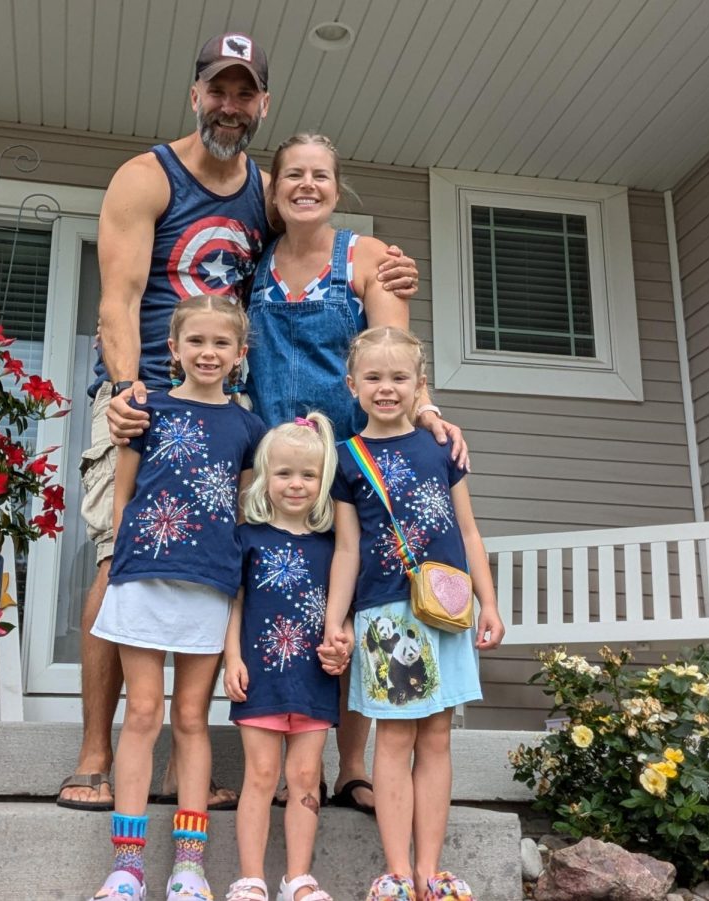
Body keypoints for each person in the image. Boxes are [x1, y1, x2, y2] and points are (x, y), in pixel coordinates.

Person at [60, 31, 420, 811]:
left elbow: (312, 231)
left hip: (231, 412)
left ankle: (177, 758)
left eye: (244, 92)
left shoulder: (263, 190)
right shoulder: (146, 176)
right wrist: (127, 389)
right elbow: (116, 299)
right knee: (121, 558)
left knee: (209, 567)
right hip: (147, 396)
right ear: (195, 94)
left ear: (262, 104)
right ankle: (94, 753)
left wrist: (385, 262)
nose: (230, 104)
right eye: (217, 89)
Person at [244, 134, 469, 814]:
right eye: (293, 176)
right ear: (275, 190)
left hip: (353, 464)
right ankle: (289, 758)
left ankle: (348, 763)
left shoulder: (366, 258)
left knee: (351, 607)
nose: (306, 185)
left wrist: (427, 411)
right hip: (279, 465)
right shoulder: (254, 265)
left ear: (337, 190)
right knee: (288, 610)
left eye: (320, 176)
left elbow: (390, 352)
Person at [89, 296, 266, 901]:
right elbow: (125, 489)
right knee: (142, 713)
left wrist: (239, 579)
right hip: (144, 573)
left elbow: (242, 506)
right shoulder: (145, 409)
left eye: (222, 343)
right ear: (174, 348)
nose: (208, 353)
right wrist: (119, 555)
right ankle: (127, 866)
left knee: (192, 718)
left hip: (210, 581)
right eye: (196, 341)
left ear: (241, 354)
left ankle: (189, 865)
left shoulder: (248, 426)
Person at [320, 327, 505, 901]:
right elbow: (347, 548)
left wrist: (489, 601)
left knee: (438, 738)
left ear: (420, 385)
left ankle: (431, 869)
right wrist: (337, 618)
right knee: (394, 742)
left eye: (399, 378)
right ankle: (396, 870)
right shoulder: (348, 460)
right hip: (385, 616)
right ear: (352, 386)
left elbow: (468, 531)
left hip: (447, 612)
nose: (386, 388)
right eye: (373, 378)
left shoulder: (441, 447)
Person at [223, 412, 339, 901]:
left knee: (306, 776)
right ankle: (251, 878)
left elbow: (343, 606)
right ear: (265, 476)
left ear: (323, 481)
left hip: (314, 678)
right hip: (261, 676)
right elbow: (235, 603)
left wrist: (343, 639)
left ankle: (298, 878)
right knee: (262, 776)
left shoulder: (333, 547)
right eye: (285, 473)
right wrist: (232, 658)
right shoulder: (247, 538)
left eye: (308, 475)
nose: (296, 484)